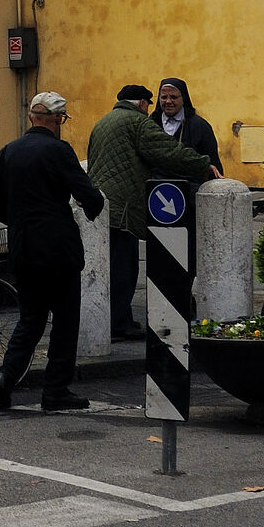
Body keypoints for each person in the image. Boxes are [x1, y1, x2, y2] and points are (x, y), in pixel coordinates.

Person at [0, 92, 106, 412]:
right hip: (58, 249)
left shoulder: (8, 152)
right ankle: (55, 390)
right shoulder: (59, 150)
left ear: (32, 118)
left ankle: (6, 377)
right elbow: (88, 195)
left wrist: (19, 220)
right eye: (61, 120)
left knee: (30, 318)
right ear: (54, 119)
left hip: (23, 248)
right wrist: (91, 204)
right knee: (64, 320)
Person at [87, 85, 216, 339]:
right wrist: (204, 164)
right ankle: (118, 324)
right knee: (124, 268)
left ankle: (121, 318)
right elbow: (166, 151)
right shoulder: (137, 122)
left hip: (102, 205)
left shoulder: (104, 121)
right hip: (123, 208)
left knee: (111, 266)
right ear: (143, 103)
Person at [157, 78, 224, 175]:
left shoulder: (200, 126)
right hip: (156, 186)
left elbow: (213, 163)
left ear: (183, 98)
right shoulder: (151, 124)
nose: (168, 101)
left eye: (173, 97)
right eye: (164, 97)